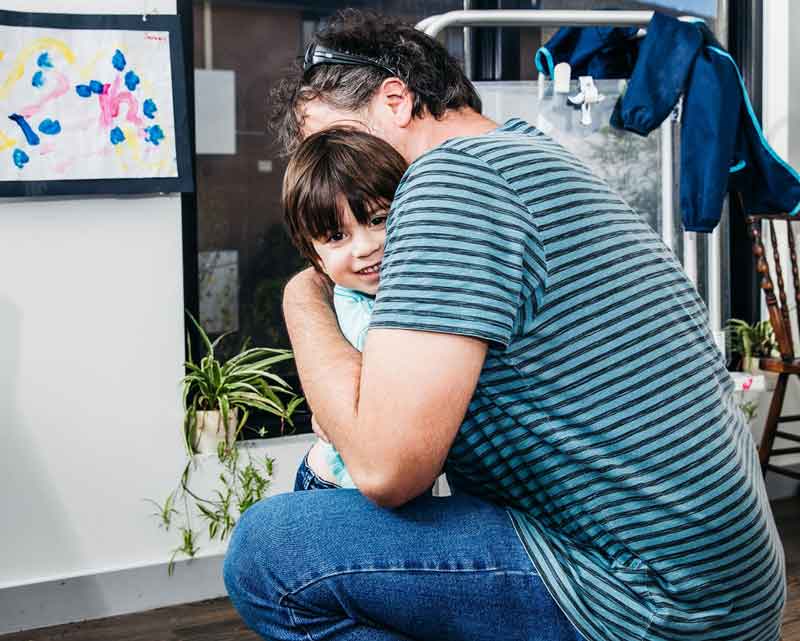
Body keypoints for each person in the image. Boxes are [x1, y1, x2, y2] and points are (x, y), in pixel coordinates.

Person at [224, 10, 786, 641]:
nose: (329, 173)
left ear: (395, 99)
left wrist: (304, 295)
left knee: (270, 551)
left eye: (329, 141)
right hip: (732, 587)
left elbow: (385, 470)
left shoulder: (449, 181)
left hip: (657, 603)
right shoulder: (538, 157)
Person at [281, 127, 407, 490]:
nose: (365, 247)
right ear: (315, 257)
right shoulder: (353, 308)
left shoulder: (400, 290)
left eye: (378, 220)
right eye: (337, 236)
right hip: (330, 485)